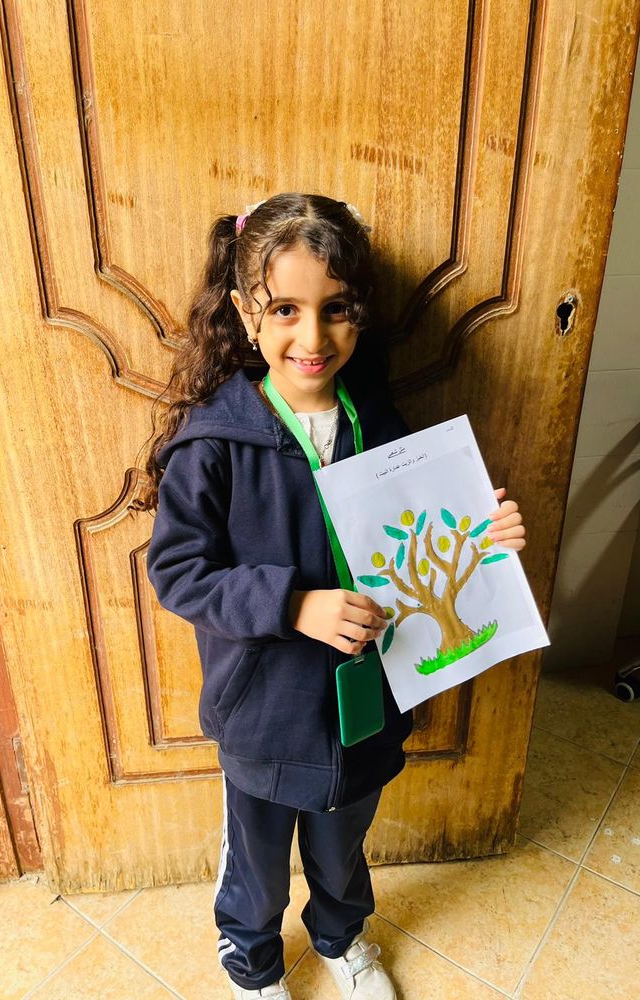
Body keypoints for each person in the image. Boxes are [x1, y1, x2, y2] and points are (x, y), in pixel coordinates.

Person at [137, 193, 526, 1000]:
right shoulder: (214, 444)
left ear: (360, 313)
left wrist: (487, 543)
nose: (311, 337)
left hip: (366, 706)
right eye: (284, 309)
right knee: (257, 856)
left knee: (343, 846)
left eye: (335, 310)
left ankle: (343, 939)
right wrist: (293, 604)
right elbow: (177, 571)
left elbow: (422, 536)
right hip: (264, 712)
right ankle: (251, 960)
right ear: (247, 315)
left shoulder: (380, 425)